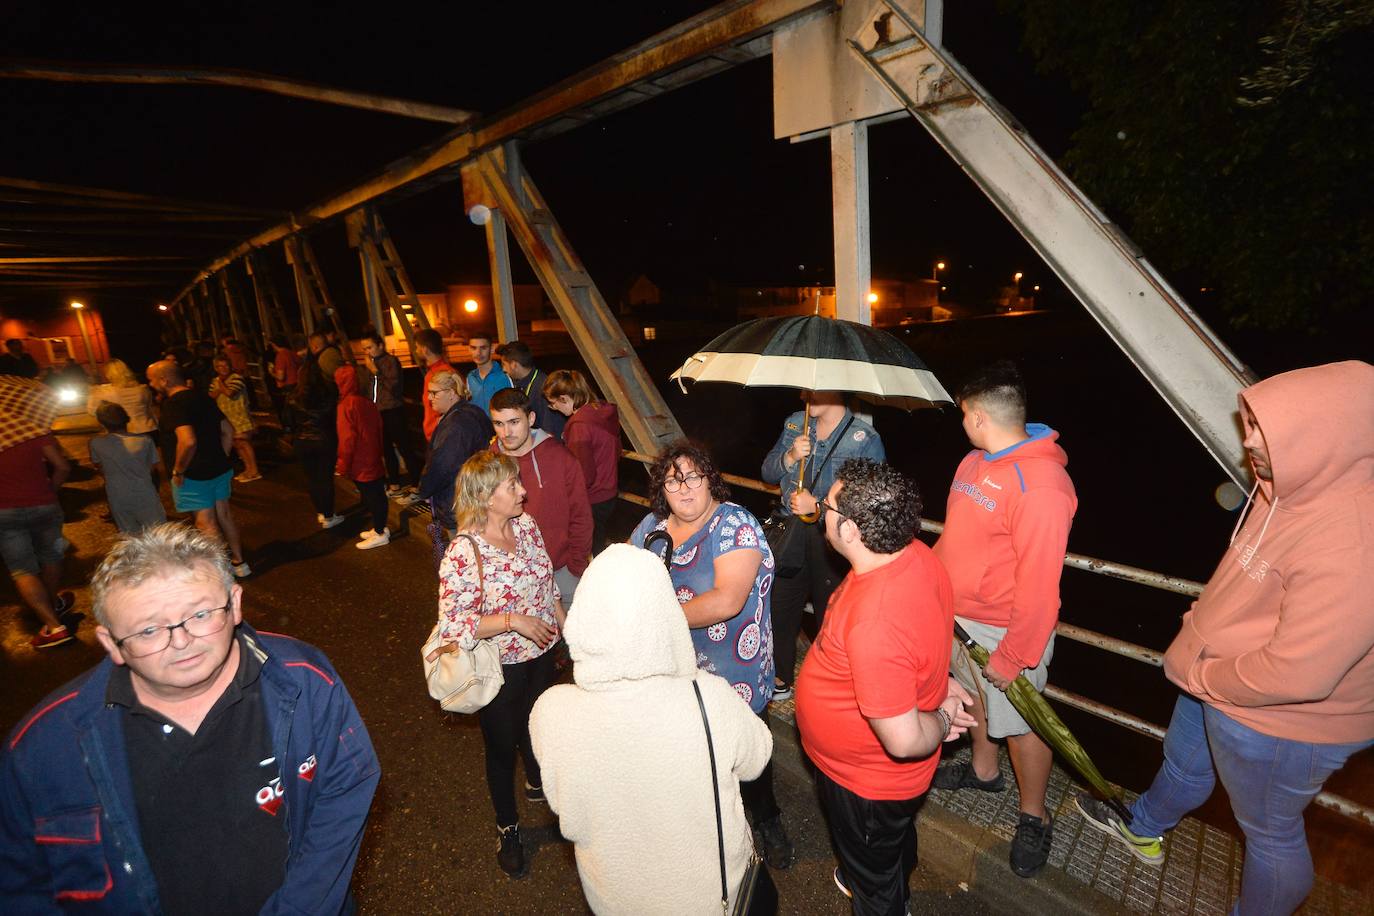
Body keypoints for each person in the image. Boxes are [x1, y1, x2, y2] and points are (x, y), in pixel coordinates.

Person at [1075, 360, 1374, 915]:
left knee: (1270, 833)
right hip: (1213, 676)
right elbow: (1244, 576)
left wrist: (1204, 672)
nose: (1249, 441)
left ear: (1326, 437)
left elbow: (1301, 675)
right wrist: (1199, 627)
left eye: (1268, 430)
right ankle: (1144, 828)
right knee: (1183, 763)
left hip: (1281, 723)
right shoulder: (1281, 488)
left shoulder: (1355, 543)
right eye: (1251, 423)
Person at [0, 524, 381, 912]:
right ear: (111, 643)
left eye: (200, 614)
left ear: (235, 604)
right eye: (149, 630)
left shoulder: (305, 679)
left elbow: (345, 789)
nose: (181, 641)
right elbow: (19, 882)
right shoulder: (42, 748)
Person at [530, 543, 773, 914]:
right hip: (710, 896)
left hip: (616, 899)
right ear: (666, 615)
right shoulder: (708, 698)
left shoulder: (551, 712)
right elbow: (757, 758)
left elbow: (567, 810)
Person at [796, 458, 976, 912]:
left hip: (866, 784)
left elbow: (903, 740)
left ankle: (879, 888)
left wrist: (942, 715)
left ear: (851, 529)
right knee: (888, 843)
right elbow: (922, 636)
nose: (821, 511)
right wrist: (941, 682)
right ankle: (879, 867)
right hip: (875, 784)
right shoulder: (915, 555)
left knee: (875, 886)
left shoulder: (876, 620)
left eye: (827, 506)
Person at [929, 360, 1077, 878]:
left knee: (1023, 725)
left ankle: (1034, 816)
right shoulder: (973, 462)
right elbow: (955, 538)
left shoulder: (1042, 485)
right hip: (957, 615)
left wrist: (1015, 655)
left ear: (977, 416)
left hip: (1005, 628)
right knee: (973, 698)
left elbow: (1040, 585)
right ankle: (984, 771)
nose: (962, 423)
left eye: (963, 414)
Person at [628, 442, 794, 870]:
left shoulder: (735, 524)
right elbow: (627, 577)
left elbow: (727, 600)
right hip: (674, 671)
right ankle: (711, 829)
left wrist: (657, 617)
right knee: (693, 755)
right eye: (672, 480)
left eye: (693, 477)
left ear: (710, 480)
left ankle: (767, 819)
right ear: (661, 488)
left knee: (749, 755)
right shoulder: (651, 527)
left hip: (736, 672)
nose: (684, 489)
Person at [431, 451, 566, 879]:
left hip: (543, 656)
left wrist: (567, 627)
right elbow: (454, 624)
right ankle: (508, 827)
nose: (523, 491)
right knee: (501, 748)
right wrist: (513, 621)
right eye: (513, 486)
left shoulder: (526, 526)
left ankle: (538, 781)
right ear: (488, 497)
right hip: (500, 670)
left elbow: (548, 584)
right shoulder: (463, 551)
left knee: (540, 727)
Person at [761, 390, 885, 702]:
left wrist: (816, 507)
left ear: (837, 388)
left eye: (813, 389)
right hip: (791, 533)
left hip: (832, 541)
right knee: (779, 606)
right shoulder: (795, 423)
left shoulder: (863, 439)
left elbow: (870, 503)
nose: (804, 394)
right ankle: (780, 676)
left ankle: (831, 685)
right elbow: (767, 472)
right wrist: (790, 457)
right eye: (804, 388)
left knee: (831, 614)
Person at [147, 360, 252, 577]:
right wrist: (221, 456)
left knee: (206, 523)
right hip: (219, 468)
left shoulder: (174, 405)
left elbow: (188, 441)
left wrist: (179, 470)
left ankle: (221, 573)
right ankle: (240, 563)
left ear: (164, 380)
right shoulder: (203, 397)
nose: (150, 384)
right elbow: (228, 430)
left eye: (152, 380)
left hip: (194, 474)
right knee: (224, 514)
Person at [490, 387, 592, 601]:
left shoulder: (561, 458)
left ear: (531, 418)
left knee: (569, 623)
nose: (506, 432)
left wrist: (575, 567)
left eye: (514, 422)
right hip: (513, 577)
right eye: (499, 424)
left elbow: (581, 516)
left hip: (561, 571)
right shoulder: (489, 463)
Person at [0, 424, 75, 648]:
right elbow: (62, 467)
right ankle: (52, 602)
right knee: (52, 556)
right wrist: (50, 490)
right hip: (44, 505)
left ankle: (53, 626)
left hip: (4, 512)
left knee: (22, 569)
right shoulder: (31, 429)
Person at [544, 369, 620, 554]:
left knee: (588, 550)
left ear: (564, 398)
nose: (553, 409)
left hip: (592, 498)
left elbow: (583, 474)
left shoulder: (579, 426)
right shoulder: (601, 411)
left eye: (553, 404)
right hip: (609, 492)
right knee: (599, 544)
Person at [413, 370, 490, 533]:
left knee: (460, 546)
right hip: (474, 497)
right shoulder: (473, 412)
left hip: (458, 503)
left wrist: (425, 489)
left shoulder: (456, 424)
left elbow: (443, 466)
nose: (429, 398)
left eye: (434, 393)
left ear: (451, 393)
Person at [334, 365, 390, 549]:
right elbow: (379, 429)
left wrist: (342, 465)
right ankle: (380, 528)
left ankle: (380, 532)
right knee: (377, 493)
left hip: (360, 460)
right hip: (372, 455)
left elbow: (347, 439)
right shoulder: (367, 402)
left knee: (372, 496)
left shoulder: (346, 406)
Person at [89, 402, 166, 534]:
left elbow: (99, 467)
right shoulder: (145, 440)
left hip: (117, 495)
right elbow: (152, 468)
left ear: (101, 423)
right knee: (158, 532)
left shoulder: (95, 443)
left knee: (129, 534)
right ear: (127, 419)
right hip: (144, 493)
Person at [362, 331, 420, 495]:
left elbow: (393, 387)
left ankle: (417, 482)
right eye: (364, 349)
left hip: (393, 410)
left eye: (370, 347)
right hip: (377, 412)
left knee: (404, 447)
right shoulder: (370, 364)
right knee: (386, 449)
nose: (367, 352)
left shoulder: (390, 361)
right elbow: (369, 389)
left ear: (380, 346)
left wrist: (375, 372)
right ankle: (394, 482)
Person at [290, 358, 343, 529]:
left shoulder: (293, 396)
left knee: (312, 478)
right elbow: (334, 418)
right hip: (324, 440)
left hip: (302, 441)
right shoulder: (329, 393)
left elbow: (288, 421)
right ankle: (328, 515)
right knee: (325, 478)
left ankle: (321, 511)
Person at [495, 339, 564, 437]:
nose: (503, 370)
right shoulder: (522, 384)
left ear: (514, 365)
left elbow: (551, 430)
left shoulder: (543, 387)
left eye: (504, 364)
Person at [209, 354, 261, 483]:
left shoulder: (236, 378)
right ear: (216, 368)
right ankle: (248, 469)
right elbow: (211, 396)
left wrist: (220, 385)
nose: (223, 369)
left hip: (240, 416)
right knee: (236, 444)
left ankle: (254, 470)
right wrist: (219, 388)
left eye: (226, 365)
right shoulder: (215, 381)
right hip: (227, 418)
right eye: (220, 366)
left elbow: (230, 393)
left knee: (243, 442)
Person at [86, 357, 158, 436]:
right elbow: (149, 408)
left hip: (126, 431)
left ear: (108, 374)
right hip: (149, 428)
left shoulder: (103, 391)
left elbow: (92, 411)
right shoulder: (143, 389)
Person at [415, 327, 453, 441]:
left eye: (417, 347)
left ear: (425, 350)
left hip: (440, 435)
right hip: (438, 434)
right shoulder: (440, 371)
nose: (416, 351)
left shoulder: (440, 374)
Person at [465, 331, 511, 416]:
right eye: (474, 348)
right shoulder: (470, 378)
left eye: (483, 348)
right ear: (469, 350)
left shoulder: (506, 376)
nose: (478, 353)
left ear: (492, 349)